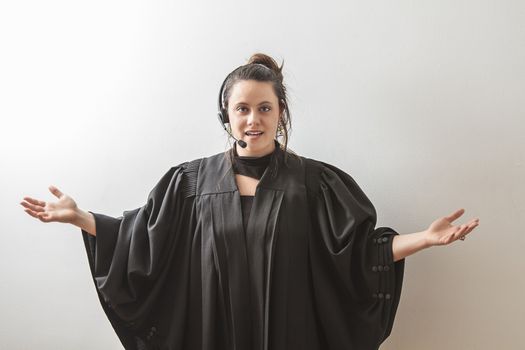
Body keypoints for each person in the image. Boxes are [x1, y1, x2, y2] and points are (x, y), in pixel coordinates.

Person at [20, 53, 480, 350]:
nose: (253, 120)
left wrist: (424, 238)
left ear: (281, 115)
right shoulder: (189, 183)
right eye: (242, 109)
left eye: (265, 108)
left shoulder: (315, 183)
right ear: (227, 115)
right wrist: (80, 217)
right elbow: (143, 240)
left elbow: (358, 254)